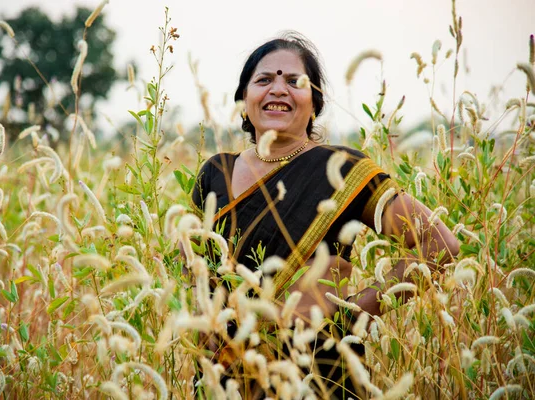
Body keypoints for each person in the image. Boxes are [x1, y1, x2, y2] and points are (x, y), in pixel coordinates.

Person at [191, 33, 460, 399]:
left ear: (314, 102)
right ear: (244, 101)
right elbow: (196, 268)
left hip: (318, 372)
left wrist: (355, 313)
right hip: (226, 374)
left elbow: (440, 243)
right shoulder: (214, 173)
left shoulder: (342, 168)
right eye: (264, 80)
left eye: (294, 81)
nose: (278, 89)